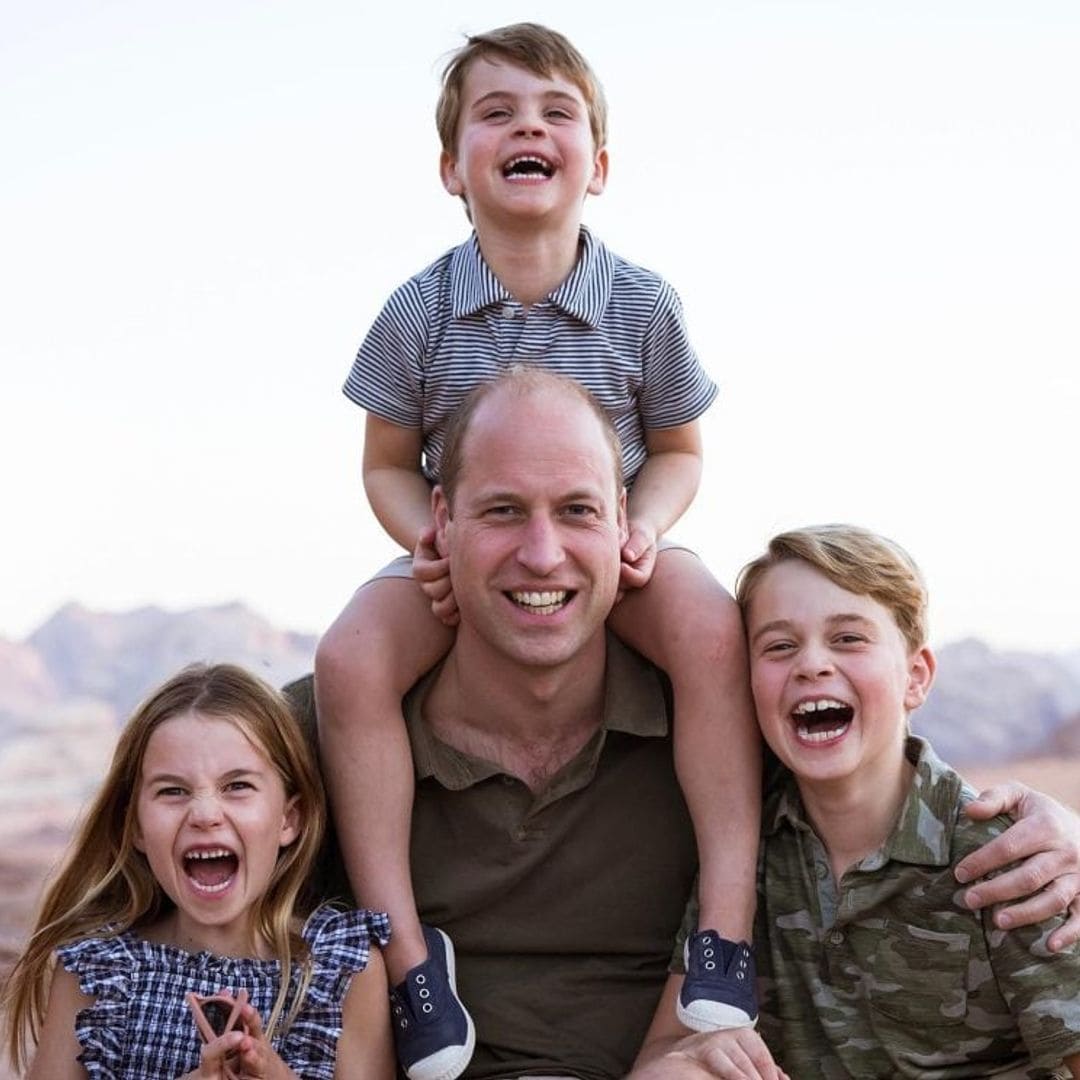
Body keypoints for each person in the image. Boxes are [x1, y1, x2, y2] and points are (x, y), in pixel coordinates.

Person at [294, 368, 1080, 1080]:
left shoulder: (727, 742)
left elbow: (876, 783)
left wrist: (1063, 833)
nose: (542, 553)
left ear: (626, 524)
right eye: (503, 511)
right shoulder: (327, 734)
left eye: (577, 510)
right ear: (442, 520)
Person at [315, 22, 760, 1080]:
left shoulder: (641, 305)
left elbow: (681, 448)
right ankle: (410, 962)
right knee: (348, 658)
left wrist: (646, 525)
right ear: (450, 166)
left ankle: (726, 932)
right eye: (498, 113)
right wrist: (423, 534)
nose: (529, 127)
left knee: (708, 623)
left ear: (597, 165)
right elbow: (383, 463)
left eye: (557, 112)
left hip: (611, 545)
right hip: (464, 549)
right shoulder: (418, 311)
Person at [639, 525, 1080, 1079]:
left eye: (848, 639)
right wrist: (696, 1053)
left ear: (915, 678)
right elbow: (658, 1057)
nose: (811, 665)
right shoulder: (743, 846)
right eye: (779, 646)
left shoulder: (1003, 855)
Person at [3, 663, 395, 1080]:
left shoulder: (343, 969)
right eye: (173, 791)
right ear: (134, 825)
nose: (205, 814)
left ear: (288, 818)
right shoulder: (98, 973)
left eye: (237, 786)